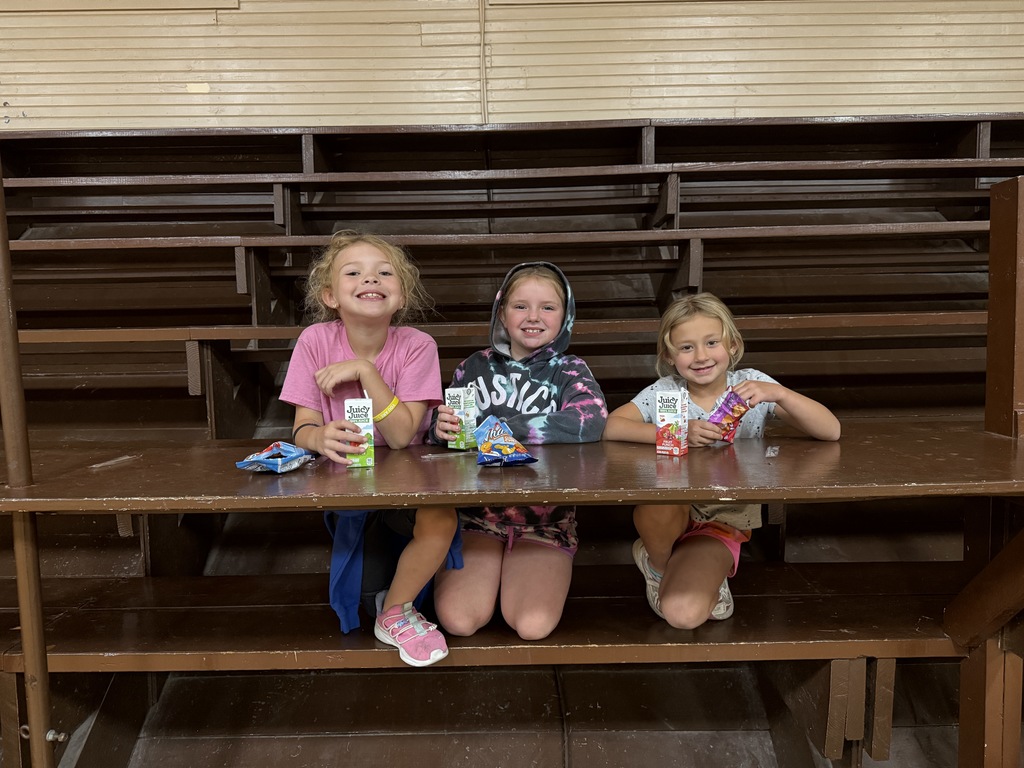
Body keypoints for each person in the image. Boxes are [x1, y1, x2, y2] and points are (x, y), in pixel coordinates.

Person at [603, 292, 841, 629]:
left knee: (683, 616)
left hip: (722, 520)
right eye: (686, 347)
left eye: (711, 342)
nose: (700, 356)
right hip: (671, 508)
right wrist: (673, 434)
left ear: (732, 345)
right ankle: (656, 565)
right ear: (670, 356)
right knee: (659, 498)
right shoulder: (665, 392)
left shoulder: (750, 387)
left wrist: (781, 394)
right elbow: (611, 426)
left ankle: (700, 574)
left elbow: (830, 430)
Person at [280, 230, 458, 667]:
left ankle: (396, 613)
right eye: (353, 272)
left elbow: (400, 435)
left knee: (442, 516)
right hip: (349, 489)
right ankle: (386, 597)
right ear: (330, 295)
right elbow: (302, 427)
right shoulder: (315, 341)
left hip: (410, 483)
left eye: (384, 273)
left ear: (401, 295)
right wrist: (318, 438)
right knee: (363, 596)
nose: (370, 279)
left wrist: (364, 371)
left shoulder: (417, 345)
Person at [428, 262, 607, 640]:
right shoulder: (472, 367)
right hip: (478, 518)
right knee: (459, 621)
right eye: (521, 306)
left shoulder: (569, 369)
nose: (533, 317)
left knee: (532, 625)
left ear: (566, 315)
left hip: (546, 522)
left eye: (548, 307)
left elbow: (590, 419)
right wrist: (438, 428)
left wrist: (500, 427)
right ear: (502, 313)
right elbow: (452, 429)